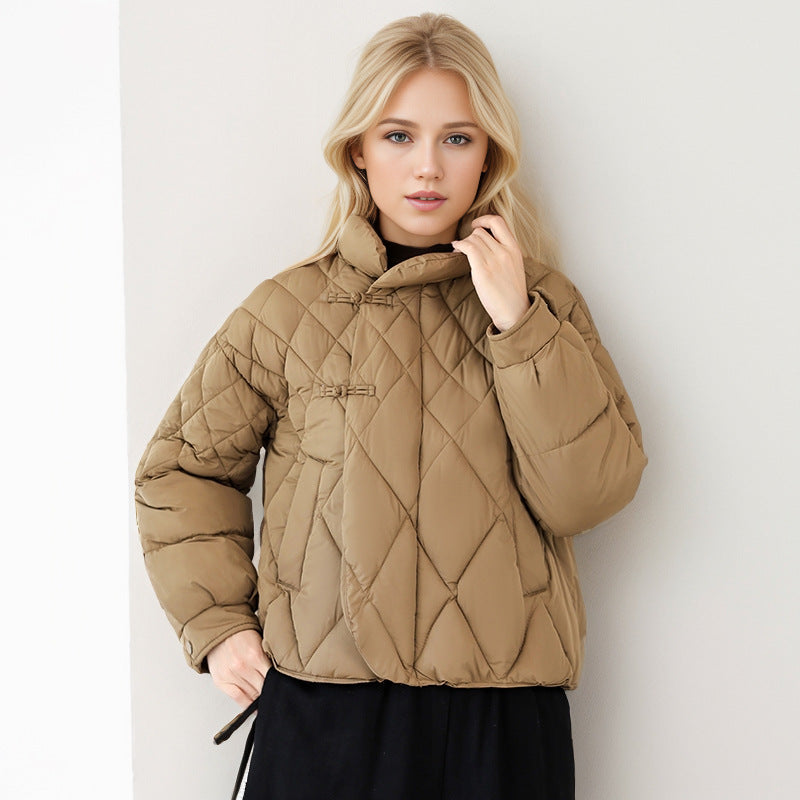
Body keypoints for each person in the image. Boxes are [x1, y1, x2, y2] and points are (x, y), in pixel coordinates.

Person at [134, 12, 649, 800]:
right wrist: (220, 626)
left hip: (501, 723)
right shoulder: (285, 312)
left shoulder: (543, 305)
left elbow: (587, 495)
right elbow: (181, 471)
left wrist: (518, 325)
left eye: (457, 138)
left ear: (489, 154)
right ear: (359, 150)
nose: (427, 167)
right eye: (399, 135)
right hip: (325, 716)